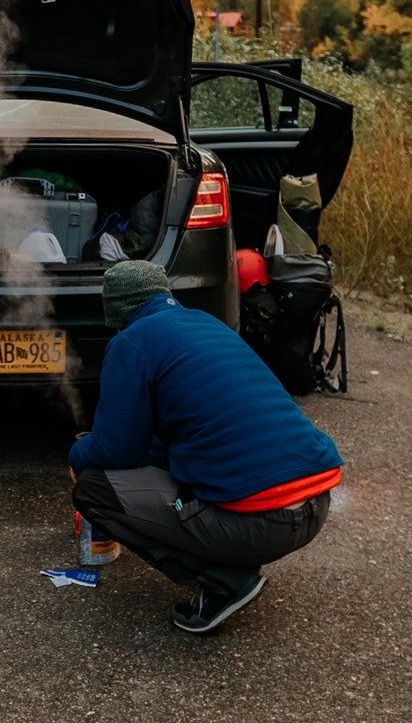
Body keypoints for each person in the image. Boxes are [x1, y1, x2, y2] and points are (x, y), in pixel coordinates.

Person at [69, 260, 342, 634]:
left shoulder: (130, 343)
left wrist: (78, 457)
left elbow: (116, 452)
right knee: (175, 467)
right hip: (315, 503)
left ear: (117, 311)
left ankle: (224, 580)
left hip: (260, 521)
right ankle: (230, 562)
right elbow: (166, 438)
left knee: (94, 488)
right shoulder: (207, 325)